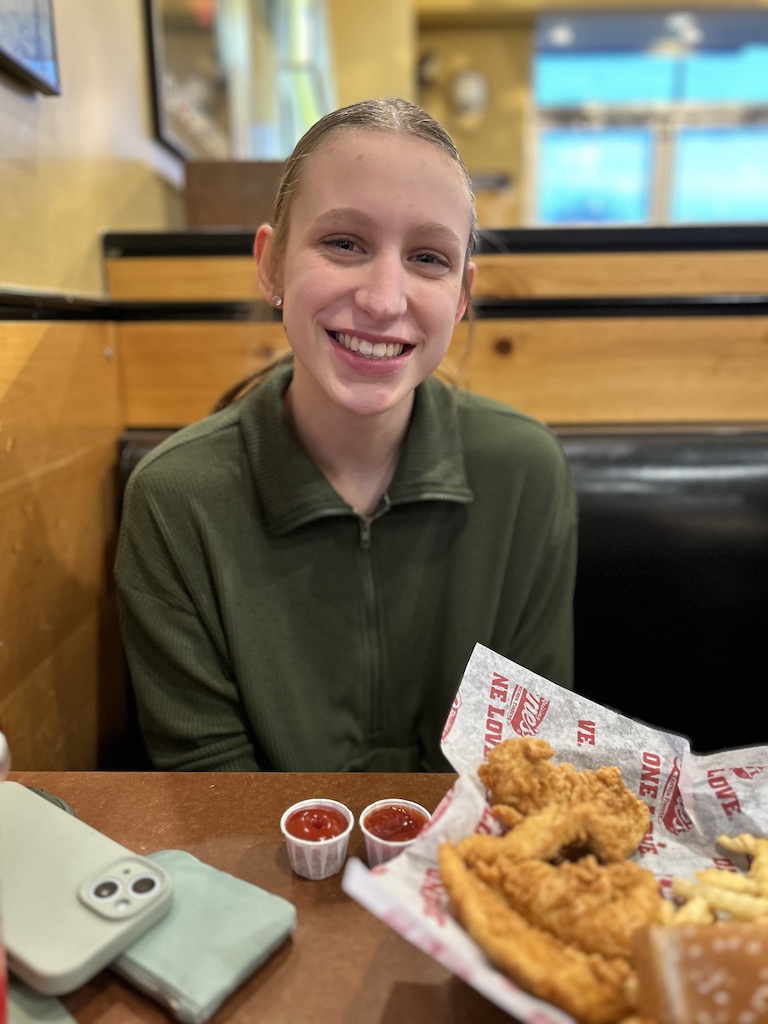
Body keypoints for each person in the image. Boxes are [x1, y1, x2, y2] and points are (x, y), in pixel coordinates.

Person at [115, 97, 578, 773]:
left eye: (427, 257)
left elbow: (527, 763)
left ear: (461, 296)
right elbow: (206, 785)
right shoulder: (175, 500)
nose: (385, 299)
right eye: (343, 243)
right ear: (271, 264)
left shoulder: (525, 474)